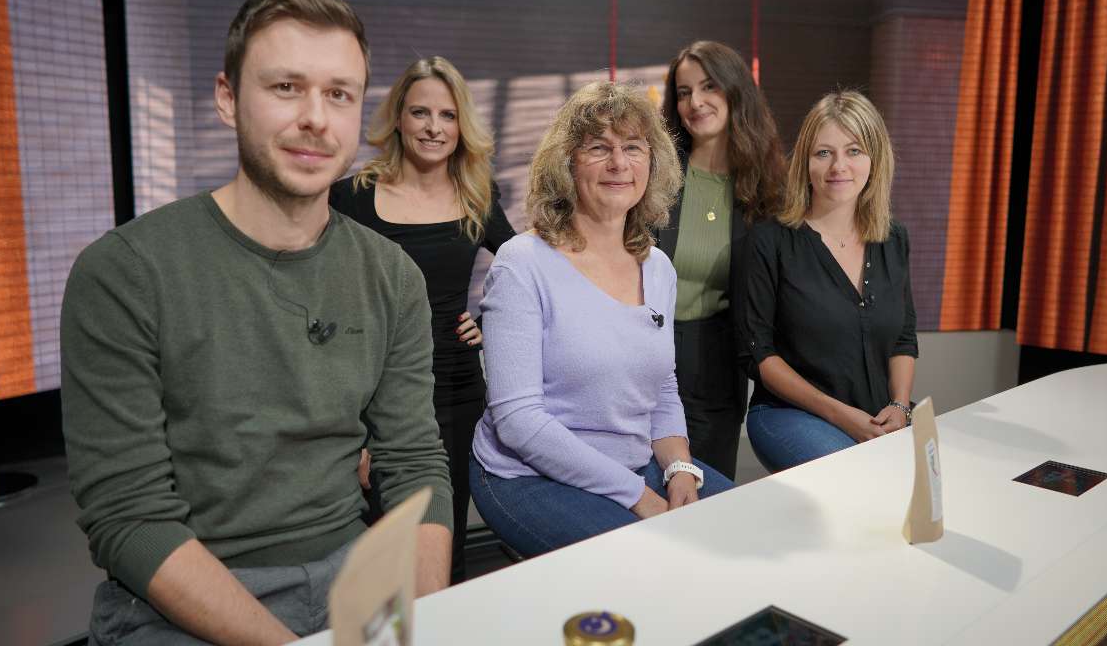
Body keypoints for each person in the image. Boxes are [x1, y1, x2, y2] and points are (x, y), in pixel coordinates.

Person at [60, 0, 453, 645]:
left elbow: (414, 464)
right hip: (184, 597)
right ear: (227, 98)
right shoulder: (126, 272)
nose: (316, 118)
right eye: (285, 87)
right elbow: (130, 517)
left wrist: (425, 625)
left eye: (339, 94)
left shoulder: (391, 276)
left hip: (353, 575)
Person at [468, 81, 732, 559]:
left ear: (652, 163)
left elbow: (662, 389)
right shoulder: (522, 263)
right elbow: (519, 422)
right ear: (567, 163)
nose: (618, 163)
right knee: (657, 561)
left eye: (633, 147)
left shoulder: (658, 267)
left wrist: (679, 469)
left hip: (634, 463)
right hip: (530, 474)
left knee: (746, 525)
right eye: (598, 148)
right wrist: (640, 497)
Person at [330, 56, 514, 582]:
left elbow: (526, 270)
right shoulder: (351, 197)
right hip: (373, 391)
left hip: (454, 388)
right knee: (374, 549)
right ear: (398, 118)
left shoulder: (478, 195)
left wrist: (491, 322)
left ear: (462, 125)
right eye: (420, 113)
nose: (434, 127)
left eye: (448, 115)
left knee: (442, 543)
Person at [740, 89, 918, 472]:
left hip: (880, 414)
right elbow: (760, 356)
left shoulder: (894, 239)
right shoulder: (769, 241)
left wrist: (900, 405)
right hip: (792, 414)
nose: (839, 166)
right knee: (863, 479)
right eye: (824, 153)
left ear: (874, 159)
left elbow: (904, 337)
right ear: (805, 162)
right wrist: (842, 416)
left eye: (854, 151)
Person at [655, 41, 785, 480]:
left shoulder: (768, 188)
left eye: (708, 86)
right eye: (684, 91)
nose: (695, 102)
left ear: (735, 90)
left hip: (715, 359)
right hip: (643, 353)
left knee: (706, 494)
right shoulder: (655, 172)